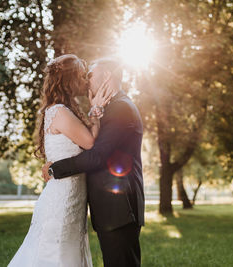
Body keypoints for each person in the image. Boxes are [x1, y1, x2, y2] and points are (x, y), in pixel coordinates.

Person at [8, 54, 114, 267]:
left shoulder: (63, 110)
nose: (84, 81)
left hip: (72, 197)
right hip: (63, 200)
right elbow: (90, 144)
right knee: (55, 254)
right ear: (69, 80)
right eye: (80, 76)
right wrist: (96, 111)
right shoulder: (60, 112)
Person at [42, 58, 145, 267]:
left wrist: (55, 168)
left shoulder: (121, 108)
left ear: (106, 76)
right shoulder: (113, 107)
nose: (86, 80)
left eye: (90, 74)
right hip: (112, 209)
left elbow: (97, 156)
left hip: (120, 209)